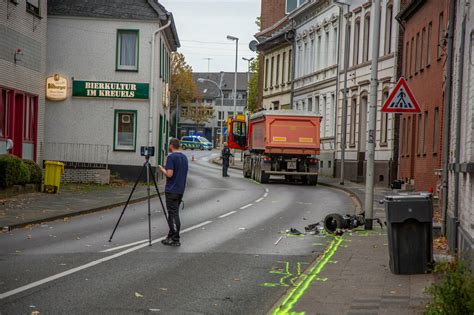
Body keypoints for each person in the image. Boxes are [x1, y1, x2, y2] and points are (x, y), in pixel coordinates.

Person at [159, 138, 188, 247]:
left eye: (168, 145)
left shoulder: (171, 157)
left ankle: (176, 239)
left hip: (172, 189)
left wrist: (162, 170)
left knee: (173, 213)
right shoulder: (184, 157)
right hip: (180, 190)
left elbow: (170, 174)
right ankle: (170, 236)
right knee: (173, 213)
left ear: (171, 145)